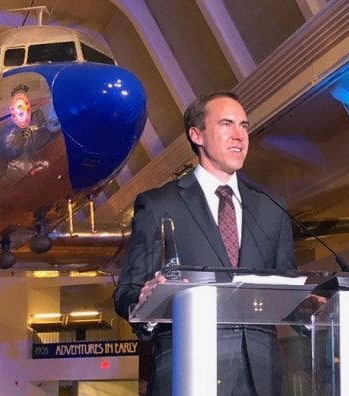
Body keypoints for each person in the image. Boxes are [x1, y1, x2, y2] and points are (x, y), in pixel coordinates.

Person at [113, 91, 296, 395]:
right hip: (189, 369)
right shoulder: (158, 204)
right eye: (227, 124)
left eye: (244, 126)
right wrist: (146, 298)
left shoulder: (272, 208)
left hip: (259, 380)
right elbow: (127, 293)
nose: (239, 136)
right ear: (197, 135)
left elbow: (288, 289)